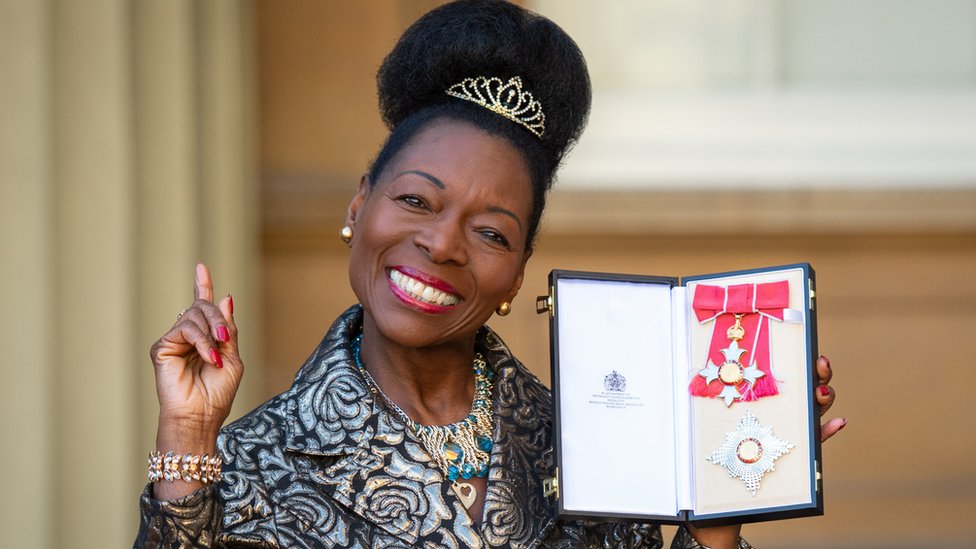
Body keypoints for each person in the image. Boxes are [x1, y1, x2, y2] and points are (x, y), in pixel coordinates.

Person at [135, 1, 844, 547]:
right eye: (416, 199)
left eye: (490, 232)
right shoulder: (244, 460)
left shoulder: (596, 444)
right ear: (360, 203)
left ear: (517, 274)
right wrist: (187, 440)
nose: (443, 243)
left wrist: (717, 498)